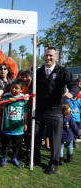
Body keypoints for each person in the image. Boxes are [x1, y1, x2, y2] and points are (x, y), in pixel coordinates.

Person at [27, 47, 79, 175]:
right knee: (36, 136)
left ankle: (53, 164)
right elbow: (32, 88)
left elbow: (74, 85)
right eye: (46, 55)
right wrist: (27, 94)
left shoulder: (63, 71)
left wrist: (71, 93)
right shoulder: (38, 72)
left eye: (50, 55)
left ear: (56, 57)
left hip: (55, 111)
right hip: (38, 110)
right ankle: (35, 158)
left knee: (55, 139)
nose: (48, 58)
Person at [0, 79, 30, 168]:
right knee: (5, 143)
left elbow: (26, 111)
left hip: (18, 127)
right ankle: (4, 158)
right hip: (7, 126)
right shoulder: (5, 96)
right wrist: (7, 101)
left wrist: (26, 123)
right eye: (12, 87)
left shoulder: (23, 98)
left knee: (17, 144)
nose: (13, 89)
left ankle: (14, 157)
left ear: (21, 90)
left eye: (16, 88)